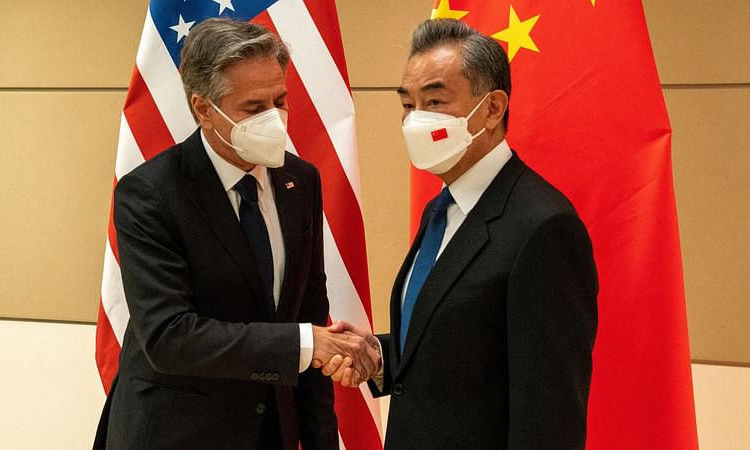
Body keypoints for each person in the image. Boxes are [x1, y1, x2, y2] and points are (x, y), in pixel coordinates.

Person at [93, 18, 379, 450]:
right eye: (253, 107)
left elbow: (309, 312)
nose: (274, 118)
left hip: (270, 432)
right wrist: (305, 342)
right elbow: (170, 336)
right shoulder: (151, 192)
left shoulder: (299, 181)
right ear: (204, 108)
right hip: (177, 433)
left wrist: (321, 440)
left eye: (280, 100)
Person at [323, 19, 598, 449]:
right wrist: (381, 359)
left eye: (434, 100)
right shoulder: (442, 207)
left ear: (492, 108)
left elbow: (549, 416)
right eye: (408, 104)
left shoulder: (543, 228)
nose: (416, 120)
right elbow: (463, 347)